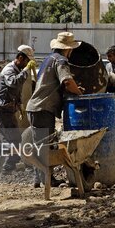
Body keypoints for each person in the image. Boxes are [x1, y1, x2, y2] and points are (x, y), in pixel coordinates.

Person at [26, 32, 83, 187]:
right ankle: (47, 179)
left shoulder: (48, 59)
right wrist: (79, 92)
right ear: (68, 49)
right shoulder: (61, 60)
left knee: (40, 143)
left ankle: (39, 179)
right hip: (43, 107)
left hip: (36, 107)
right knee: (46, 145)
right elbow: (67, 81)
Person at [0, 45, 37, 174]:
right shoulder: (9, 70)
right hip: (2, 109)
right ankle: (6, 167)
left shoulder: (17, 69)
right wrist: (26, 70)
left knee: (7, 139)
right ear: (21, 58)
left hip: (9, 108)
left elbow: (16, 92)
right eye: (27, 61)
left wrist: (20, 106)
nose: (27, 64)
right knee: (14, 140)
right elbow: (13, 83)